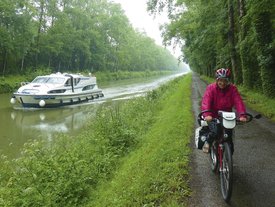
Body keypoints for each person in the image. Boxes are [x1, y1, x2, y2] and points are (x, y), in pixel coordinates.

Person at [200, 68, 247, 153]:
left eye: (225, 80)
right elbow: (206, 101)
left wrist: (242, 115)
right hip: (213, 115)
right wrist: (207, 114)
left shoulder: (232, 89)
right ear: (217, 80)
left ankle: (228, 160)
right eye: (220, 80)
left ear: (228, 80)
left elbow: (238, 101)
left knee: (228, 138)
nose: (222, 83)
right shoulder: (211, 88)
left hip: (227, 115)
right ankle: (208, 142)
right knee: (215, 131)